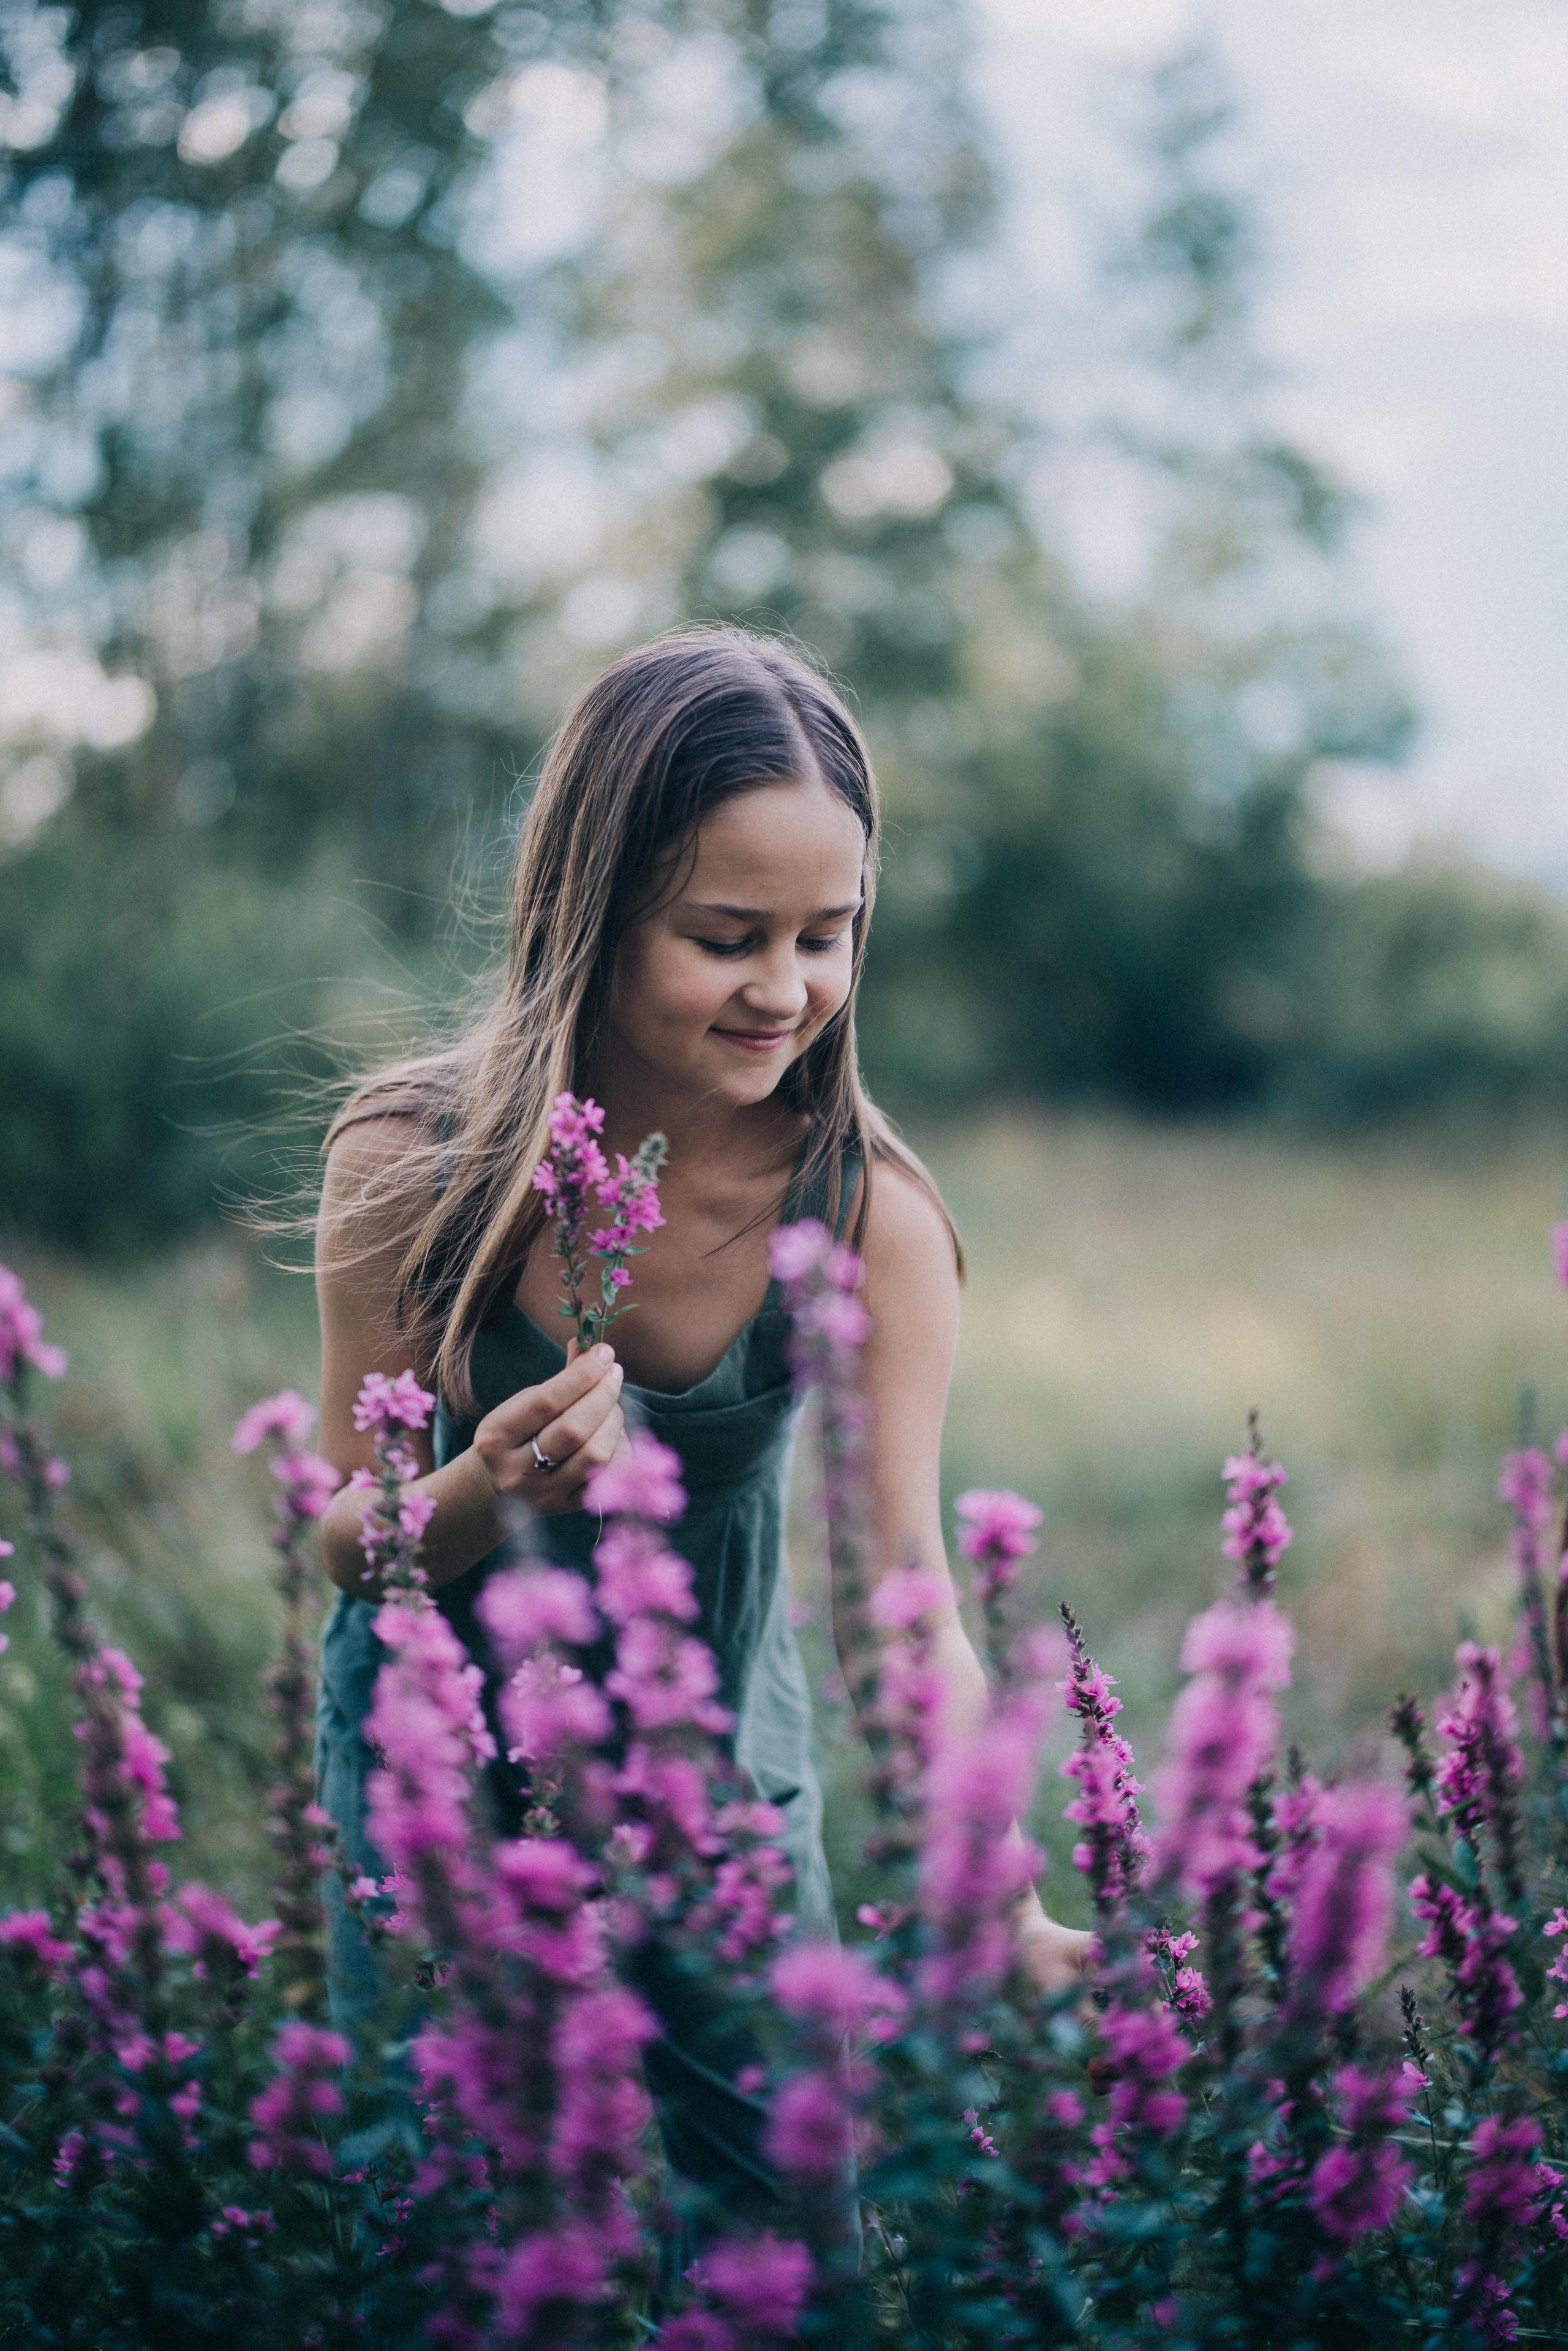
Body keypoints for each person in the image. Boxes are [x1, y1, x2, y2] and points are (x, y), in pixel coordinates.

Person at [311, 625, 1091, 2234]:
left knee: (786, 2225)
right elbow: (338, 1530)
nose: (788, 988)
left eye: (830, 934)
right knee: (442, 2235)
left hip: (721, 1771)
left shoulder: (869, 1218)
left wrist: (999, 1892)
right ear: (589, 913)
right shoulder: (413, 1159)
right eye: (727, 934)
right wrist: (480, 1486)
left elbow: (909, 1594)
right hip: (440, 1772)